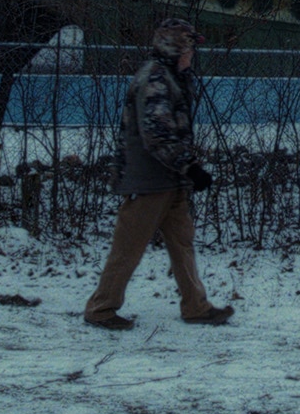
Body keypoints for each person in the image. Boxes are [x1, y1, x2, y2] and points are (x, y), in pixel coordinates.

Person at [83, 18, 234, 329]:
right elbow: (158, 136)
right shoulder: (154, 80)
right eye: (189, 48)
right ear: (175, 48)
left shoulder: (170, 77)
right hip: (149, 182)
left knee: (183, 244)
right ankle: (101, 309)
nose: (192, 55)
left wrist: (185, 171)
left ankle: (196, 306)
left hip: (170, 180)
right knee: (127, 249)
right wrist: (190, 167)